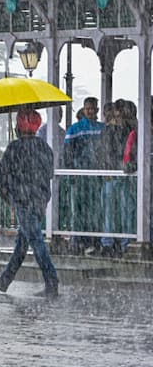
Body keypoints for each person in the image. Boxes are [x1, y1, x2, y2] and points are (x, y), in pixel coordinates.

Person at [0, 108, 59, 298]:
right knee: (22, 243)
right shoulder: (45, 147)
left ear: (19, 126)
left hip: (23, 200)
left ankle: (52, 282)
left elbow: (0, 173)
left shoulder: (15, 148)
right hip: (40, 200)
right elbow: (49, 173)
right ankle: (5, 280)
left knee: (35, 240)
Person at [63, 97, 104, 254]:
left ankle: (92, 240)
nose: (91, 111)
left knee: (95, 210)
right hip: (79, 176)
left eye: (93, 108)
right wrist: (71, 172)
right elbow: (67, 153)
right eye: (88, 108)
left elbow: (105, 151)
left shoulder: (102, 128)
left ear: (97, 110)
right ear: (84, 109)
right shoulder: (74, 129)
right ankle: (78, 240)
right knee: (79, 210)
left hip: (95, 176)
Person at [98, 99, 136, 257]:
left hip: (115, 174)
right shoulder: (130, 129)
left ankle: (111, 241)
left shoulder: (110, 130)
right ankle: (122, 241)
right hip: (119, 173)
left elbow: (104, 151)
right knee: (123, 209)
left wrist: (107, 168)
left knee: (113, 210)